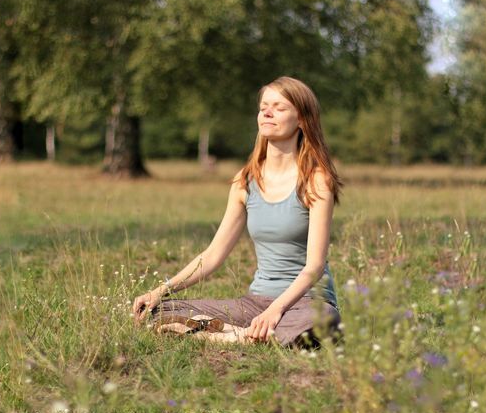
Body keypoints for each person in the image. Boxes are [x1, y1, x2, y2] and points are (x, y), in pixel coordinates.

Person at [132, 76, 343, 347]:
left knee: (321, 322)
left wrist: (276, 310)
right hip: (255, 303)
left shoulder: (316, 181)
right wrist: (160, 291)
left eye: (279, 107)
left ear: (301, 119)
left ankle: (227, 335)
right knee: (158, 311)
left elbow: (314, 267)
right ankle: (244, 334)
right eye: (264, 106)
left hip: (306, 303)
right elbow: (211, 257)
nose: (267, 112)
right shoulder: (245, 181)